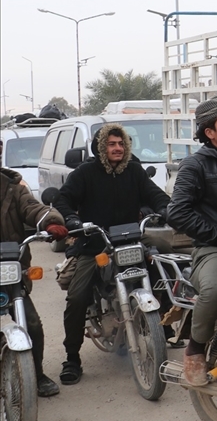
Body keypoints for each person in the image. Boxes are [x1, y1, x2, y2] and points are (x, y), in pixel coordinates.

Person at [54, 123, 170, 385]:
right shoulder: (85, 173)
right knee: (77, 296)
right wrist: (72, 220)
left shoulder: (134, 171)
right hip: (95, 243)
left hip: (130, 238)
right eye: (111, 144)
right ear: (100, 148)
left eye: (121, 144)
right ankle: (72, 358)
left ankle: (163, 326)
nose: (118, 148)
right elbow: (62, 200)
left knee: (165, 266)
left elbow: (155, 195)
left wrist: (164, 208)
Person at [166, 95, 217, 386]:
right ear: (209, 132)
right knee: (215, 289)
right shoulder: (196, 165)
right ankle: (195, 347)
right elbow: (177, 212)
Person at [0, 142, 68, 396]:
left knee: (32, 324)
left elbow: (32, 208)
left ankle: (36, 375)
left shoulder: (13, 188)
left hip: (10, 267)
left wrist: (50, 222)